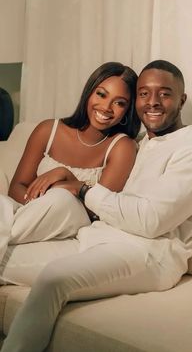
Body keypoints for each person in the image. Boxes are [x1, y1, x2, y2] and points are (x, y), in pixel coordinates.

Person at [1, 60, 192, 352]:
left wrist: (81, 189)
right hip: (94, 239)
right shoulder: (139, 143)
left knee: (53, 279)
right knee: (4, 258)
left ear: (181, 99)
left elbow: (151, 221)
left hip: (148, 255)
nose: (153, 102)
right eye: (144, 94)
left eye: (164, 93)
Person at [0, 61, 141, 265]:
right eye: (101, 94)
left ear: (127, 111)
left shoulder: (122, 147)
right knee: (2, 203)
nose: (106, 107)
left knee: (61, 198)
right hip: (27, 211)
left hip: (73, 219)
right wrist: (38, 205)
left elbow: (97, 208)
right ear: (89, 93)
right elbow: (16, 187)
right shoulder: (48, 130)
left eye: (119, 103)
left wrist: (65, 177)